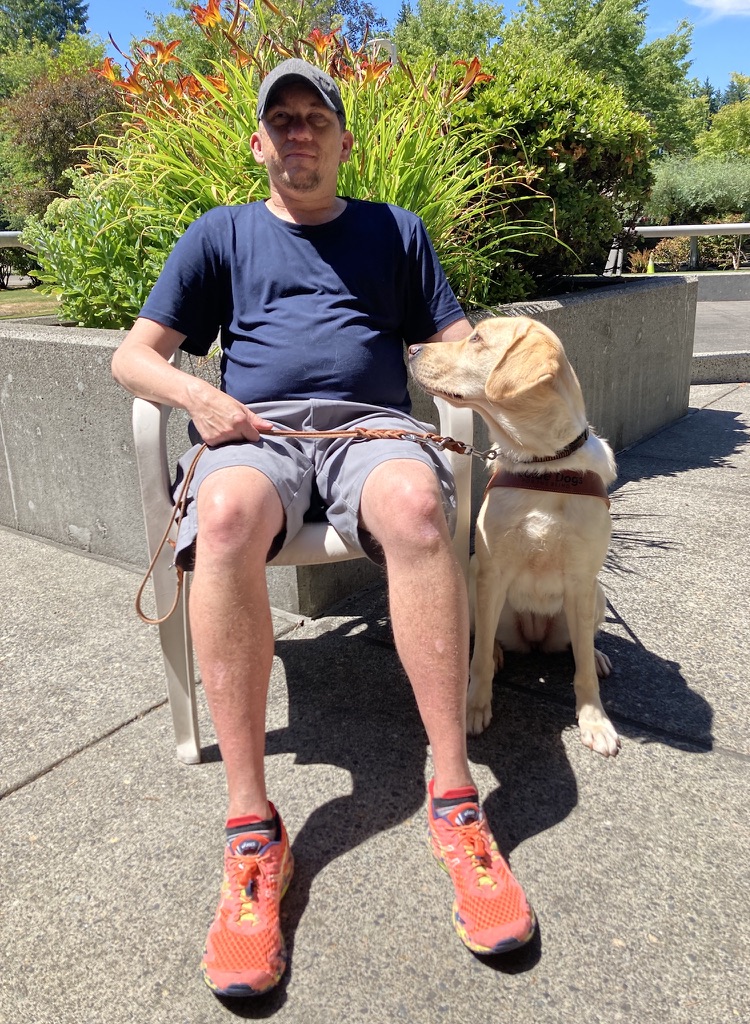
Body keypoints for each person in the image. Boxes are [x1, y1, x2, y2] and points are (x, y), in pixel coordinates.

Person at [112, 57, 535, 998]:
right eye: (282, 120)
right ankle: (253, 835)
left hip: (370, 431)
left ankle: (455, 799)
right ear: (259, 143)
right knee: (219, 513)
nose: (299, 131)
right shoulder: (219, 234)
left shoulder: (395, 231)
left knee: (421, 506)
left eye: (316, 118)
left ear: (343, 140)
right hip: (254, 434)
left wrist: (497, 371)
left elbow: (451, 344)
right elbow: (132, 358)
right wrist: (200, 398)